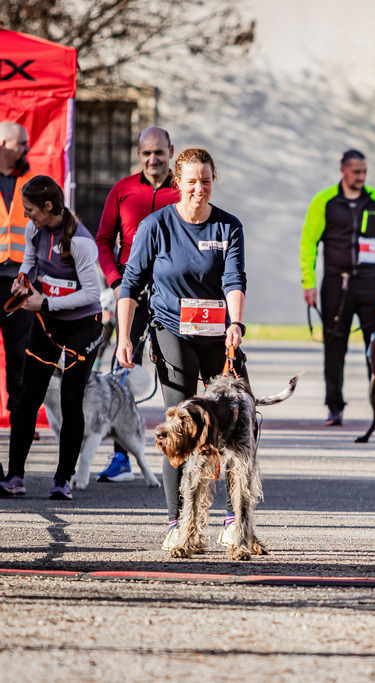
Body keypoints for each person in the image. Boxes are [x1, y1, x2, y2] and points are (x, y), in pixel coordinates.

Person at [115, 148, 249, 549]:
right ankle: (177, 521)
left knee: (237, 423)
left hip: (218, 334)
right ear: (178, 183)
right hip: (172, 329)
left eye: (205, 181)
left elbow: (235, 280)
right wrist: (124, 336)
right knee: (183, 426)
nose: (199, 189)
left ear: (213, 181)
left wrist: (236, 324)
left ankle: (232, 517)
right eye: (191, 182)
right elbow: (131, 284)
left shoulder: (228, 226)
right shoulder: (156, 226)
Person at [0, 176, 103, 499]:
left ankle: (63, 479)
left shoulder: (81, 243)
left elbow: (91, 293)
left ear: (48, 207)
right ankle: (15, 476)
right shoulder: (34, 229)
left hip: (83, 326)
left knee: (71, 400)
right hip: (48, 323)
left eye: (30, 210)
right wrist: (22, 280)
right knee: (28, 395)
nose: (26, 215)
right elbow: (29, 263)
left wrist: (46, 302)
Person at [94, 126, 179, 481]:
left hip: (173, 292)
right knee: (123, 370)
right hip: (131, 289)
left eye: (159, 152)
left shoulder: (183, 190)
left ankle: (182, 450)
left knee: (176, 371)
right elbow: (102, 240)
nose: (153, 159)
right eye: (146, 153)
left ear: (171, 151)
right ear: (138, 153)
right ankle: (121, 458)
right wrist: (116, 283)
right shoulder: (123, 190)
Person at [300, 149, 375, 426]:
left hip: (372, 283)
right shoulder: (324, 200)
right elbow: (309, 243)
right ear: (343, 170)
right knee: (334, 345)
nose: (361, 177)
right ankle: (334, 406)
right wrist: (309, 283)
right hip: (336, 284)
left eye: (364, 172)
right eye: (356, 172)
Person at [0, 121, 35, 419]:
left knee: (20, 355)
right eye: (21, 143)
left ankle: (21, 419)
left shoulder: (34, 182)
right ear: (3, 145)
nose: (27, 148)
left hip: (21, 283)